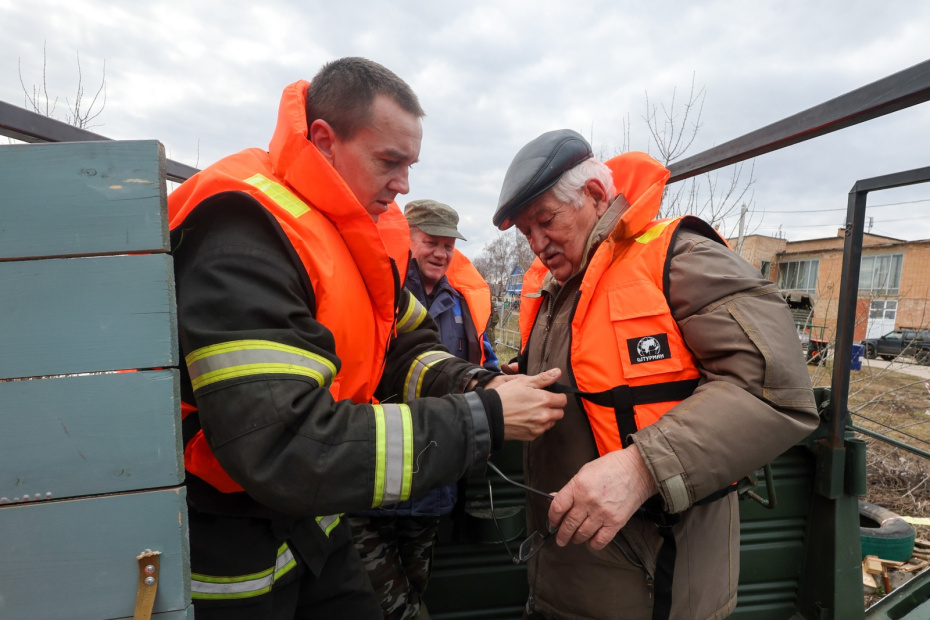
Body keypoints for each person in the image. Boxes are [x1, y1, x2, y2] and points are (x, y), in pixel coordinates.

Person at [168, 58, 566, 620]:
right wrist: (487, 415)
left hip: (316, 525)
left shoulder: (348, 236)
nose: (404, 184)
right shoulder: (244, 233)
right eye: (390, 161)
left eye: (410, 165)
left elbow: (404, 346)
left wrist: (478, 380)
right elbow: (285, 443)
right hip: (229, 544)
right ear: (325, 141)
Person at [492, 129, 820, 620]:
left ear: (596, 195)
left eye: (546, 221)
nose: (537, 244)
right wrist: (515, 380)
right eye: (526, 233)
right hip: (560, 580)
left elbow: (773, 391)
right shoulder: (555, 292)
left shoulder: (680, 258)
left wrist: (641, 467)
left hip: (654, 586)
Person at [350, 199, 500, 619]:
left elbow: (481, 360)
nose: (441, 253)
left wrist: (500, 375)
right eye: (431, 241)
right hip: (371, 474)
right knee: (379, 598)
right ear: (408, 239)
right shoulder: (380, 289)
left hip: (434, 475)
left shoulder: (462, 302)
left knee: (417, 582)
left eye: (448, 245)